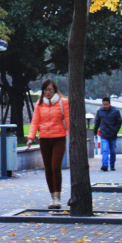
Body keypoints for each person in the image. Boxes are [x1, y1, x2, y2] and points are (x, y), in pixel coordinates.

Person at [25, 79, 69, 209]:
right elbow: (34, 122)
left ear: (55, 90)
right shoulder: (39, 104)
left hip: (59, 138)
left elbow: (68, 119)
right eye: (45, 90)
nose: (47, 92)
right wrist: (30, 137)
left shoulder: (63, 102)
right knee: (48, 169)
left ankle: (58, 198)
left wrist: (72, 137)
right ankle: (53, 198)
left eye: (50, 90)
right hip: (44, 139)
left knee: (56, 167)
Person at [93, 96, 122, 172]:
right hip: (104, 134)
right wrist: (95, 131)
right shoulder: (100, 111)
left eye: (107, 104)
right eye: (104, 105)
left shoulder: (115, 111)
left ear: (109, 104)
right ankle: (105, 165)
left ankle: (112, 164)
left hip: (112, 134)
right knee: (105, 149)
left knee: (113, 151)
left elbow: (119, 122)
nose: (105, 106)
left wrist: (115, 130)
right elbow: (97, 122)